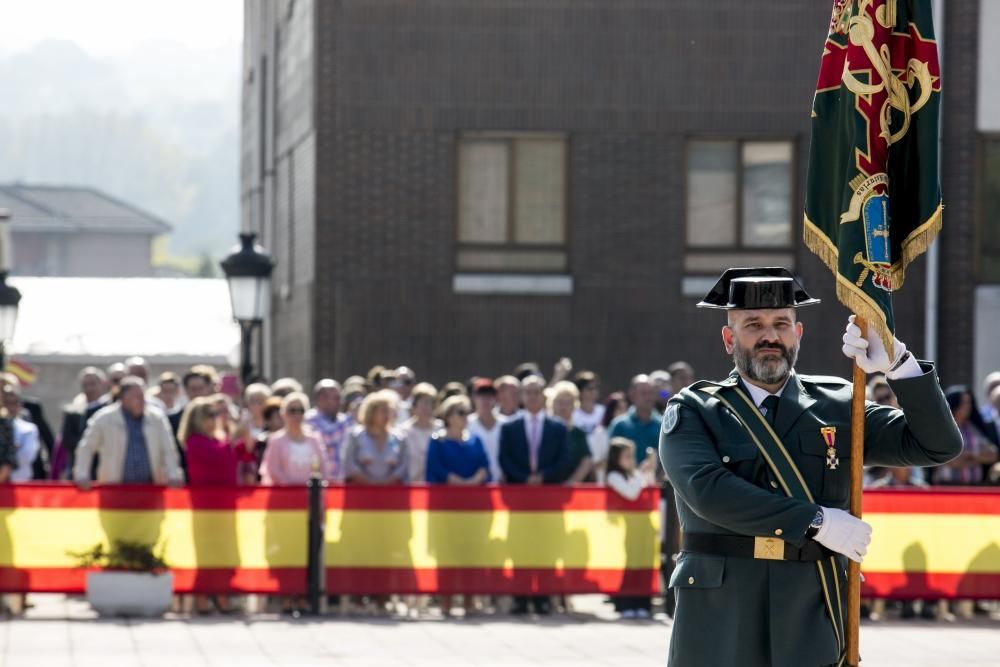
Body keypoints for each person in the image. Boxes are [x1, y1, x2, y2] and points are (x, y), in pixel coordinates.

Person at [659, 267, 963, 667]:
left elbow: (937, 446)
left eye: (782, 323)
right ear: (729, 339)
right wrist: (817, 521)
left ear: (797, 335)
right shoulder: (695, 409)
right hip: (722, 610)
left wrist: (898, 363)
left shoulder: (840, 404)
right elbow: (708, 492)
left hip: (809, 606)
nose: (771, 336)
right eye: (754, 324)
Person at [498, 374, 571, 615]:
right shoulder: (509, 427)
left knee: (546, 546)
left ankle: (542, 597)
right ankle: (521, 596)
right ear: (522, 396)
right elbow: (504, 459)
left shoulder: (557, 427)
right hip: (519, 498)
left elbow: (564, 460)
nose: (532, 396)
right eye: (527, 392)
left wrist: (543, 476)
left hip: (548, 499)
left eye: (536, 392)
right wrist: (524, 477)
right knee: (519, 546)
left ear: (543, 395)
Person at [73, 376, 185, 488]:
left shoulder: (157, 418)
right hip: (114, 490)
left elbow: (169, 450)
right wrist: (82, 475)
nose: (142, 400)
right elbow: (86, 448)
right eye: (136, 396)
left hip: (151, 490)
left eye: (143, 396)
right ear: (123, 397)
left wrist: (174, 475)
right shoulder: (104, 418)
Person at [605, 436, 658, 618]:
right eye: (626, 456)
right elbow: (631, 493)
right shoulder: (613, 476)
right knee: (630, 566)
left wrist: (649, 470)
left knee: (644, 564)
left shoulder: (634, 474)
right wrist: (642, 473)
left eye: (631, 455)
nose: (630, 459)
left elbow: (649, 488)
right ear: (616, 458)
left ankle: (643, 603)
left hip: (643, 528)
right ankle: (626, 604)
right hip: (626, 529)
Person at [931, 386, 999, 485]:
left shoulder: (974, 428)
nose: (967, 406)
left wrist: (972, 456)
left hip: (973, 486)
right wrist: (979, 458)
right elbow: (952, 462)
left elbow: (993, 455)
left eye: (969, 402)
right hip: (947, 486)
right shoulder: (942, 429)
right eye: (963, 402)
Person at [260, 392, 329, 485]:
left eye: (301, 410)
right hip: (285, 494)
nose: (297, 415)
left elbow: (323, 468)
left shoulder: (315, 439)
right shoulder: (276, 440)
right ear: (283, 413)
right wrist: (293, 487)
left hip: (311, 495)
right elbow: (273, 470)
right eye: (292, 410)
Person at [342, 390, 409, 485]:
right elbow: (350, 464)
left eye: (389, 411)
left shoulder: (400, 437)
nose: (387, 415)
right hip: (361, 492)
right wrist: (370, 483)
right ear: (371, 412)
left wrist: (386, 483)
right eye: (383, 411)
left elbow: (403, 466)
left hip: (391, 492)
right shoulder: (355, 435)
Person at [58, 367, 110, 479]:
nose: (89, 388)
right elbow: (68, 441)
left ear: (102, 384)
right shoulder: (73, 412)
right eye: (85, 385)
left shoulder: (110, 411)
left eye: (93, 384)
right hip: (80, 471)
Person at [426, 395, 491, 485]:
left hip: (474, 494)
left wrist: (471, 482)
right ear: (448, 416)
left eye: (467, 412)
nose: (465, 416)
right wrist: (461, 483)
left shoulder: (476, 440)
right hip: (445, 495)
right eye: (461, 412)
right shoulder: (437, 441)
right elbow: (436, 468)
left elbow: (484, 466)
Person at [609, 375, 662, 465]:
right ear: (632, 395)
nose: (648, 397)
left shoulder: (663, 426)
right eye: (643, 393)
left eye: (651, 393)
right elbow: (611, 460)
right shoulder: (619, 425)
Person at [548, 381, 594, 484]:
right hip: (548, 487)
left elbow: (586, 461)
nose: (563, 407)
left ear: (574, 406)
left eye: (568, 403)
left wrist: (571, 482)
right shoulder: (544, 430)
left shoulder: (578, 433)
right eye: (560, 402)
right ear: (552, 404)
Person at [305, 379, 351, 482]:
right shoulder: (307, 421)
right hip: (317, 485)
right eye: (335, 397)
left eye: (339, 397)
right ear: (320, 399)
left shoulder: (347, 421)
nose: (340, 401)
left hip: (342, 484)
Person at [397, 383, 439, 484]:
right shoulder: (402, 431)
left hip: (435, 488)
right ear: (414, 405)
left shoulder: (441, 429)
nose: (426, 407)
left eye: (430, 403)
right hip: (409, 487)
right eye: (423, 403)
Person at [467, 378, 504, 482]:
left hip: (503, 484)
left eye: (489, 396)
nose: (485, 400)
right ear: (474, 398)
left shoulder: (506, 425)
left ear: (495, 399)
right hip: (474, 485)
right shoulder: (466, 424)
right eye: (481, 396)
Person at [1, 383, 40, 482]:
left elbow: (27, 456)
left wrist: (8, 459)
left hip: (19, 480)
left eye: (14, 402)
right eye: (7, 402)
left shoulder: (30, 429)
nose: (10, 407)